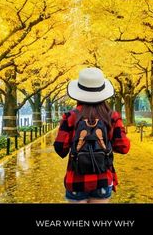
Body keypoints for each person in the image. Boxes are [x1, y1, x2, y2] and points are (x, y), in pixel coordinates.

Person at [54, 67, 130, 204]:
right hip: (103, 178)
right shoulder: (112, 116)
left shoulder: (70, 117)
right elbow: (124, 147)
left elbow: (60, 149)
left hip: (75, 179)